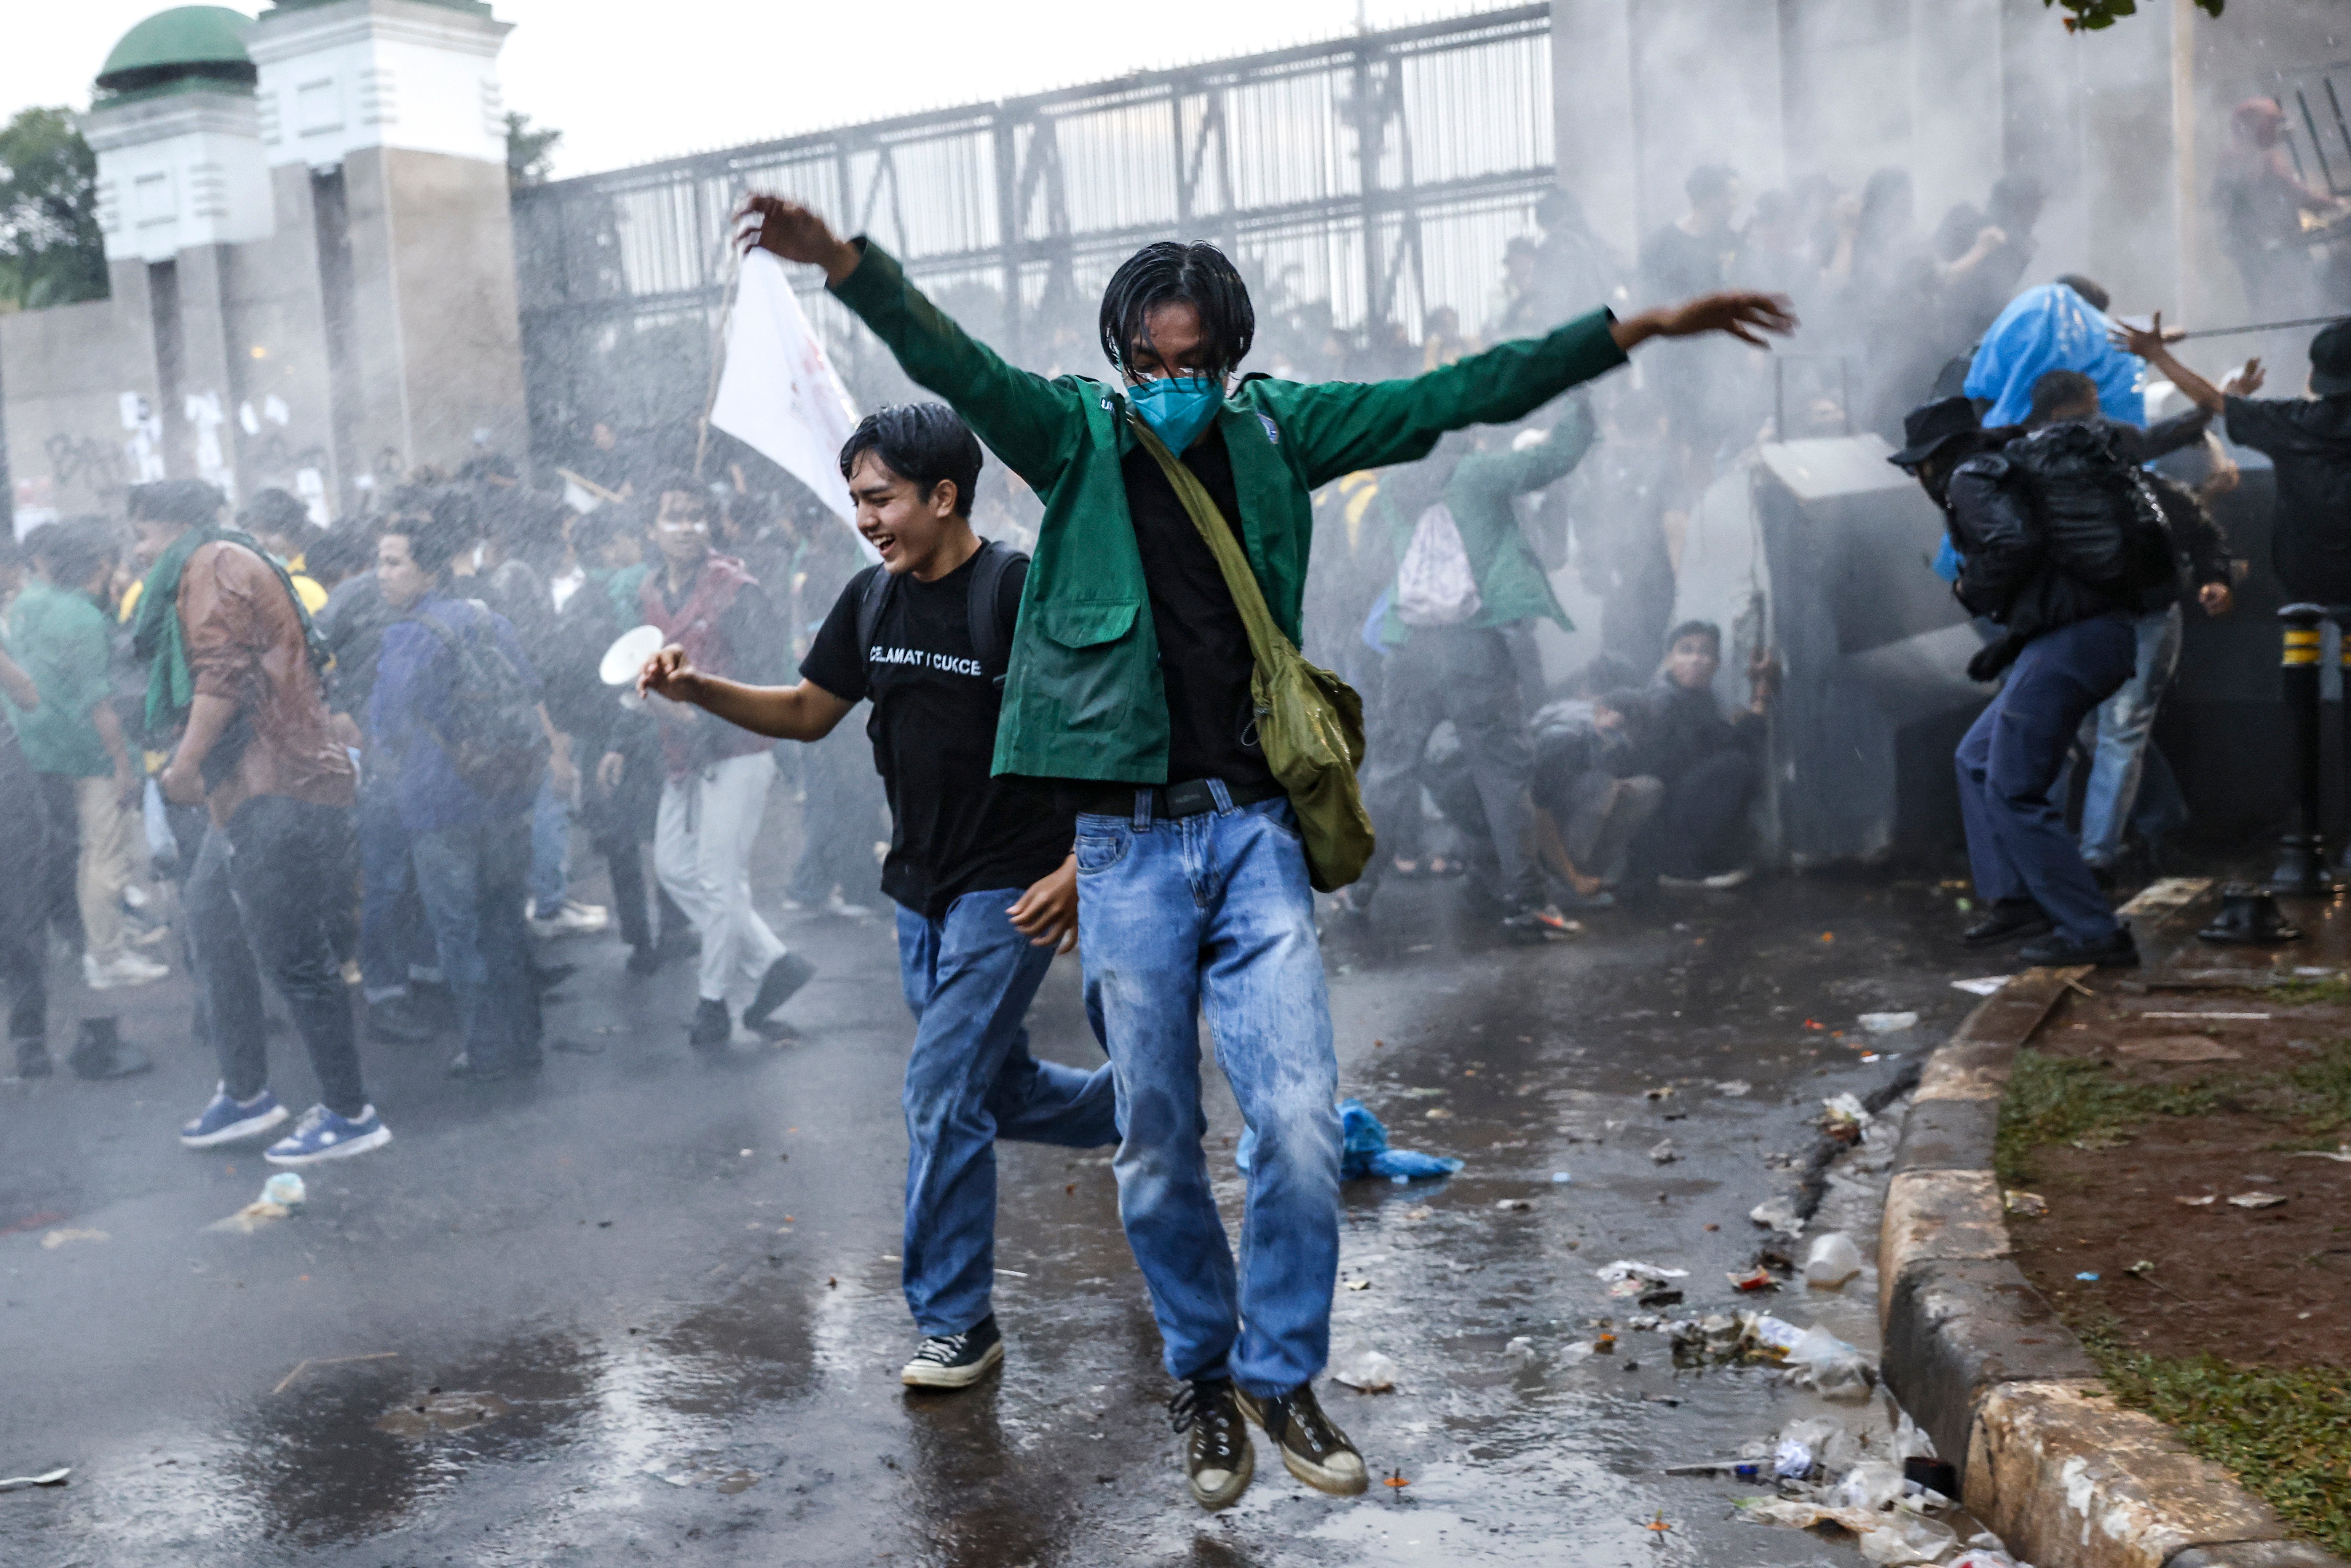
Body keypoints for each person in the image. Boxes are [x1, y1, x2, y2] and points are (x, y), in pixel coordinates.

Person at [734, 189, 1792, 1509]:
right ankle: (1200, 1373)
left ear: (1228, 356)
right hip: (1123, 849)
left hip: (1251, 837)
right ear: (1123, 355)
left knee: (1295, 1125)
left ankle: (1279, 1374)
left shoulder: (1285, 430)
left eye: (1194, 361)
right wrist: (842, 261)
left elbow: (1453, 395)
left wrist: (1635, 329)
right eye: (1150, 360)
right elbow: (952, 359)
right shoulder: (1072, 435)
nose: (1171, 382)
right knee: (1154, 1139)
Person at [643, 402, 1118, 1390]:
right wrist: (698, 689)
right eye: (857, 499)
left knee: (938, 1092)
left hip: (1010, 886)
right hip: (918, 887)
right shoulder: (871, 599)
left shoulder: (1016, 592)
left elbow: (1101, 729)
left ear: (944, 496)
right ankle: (1146, 1107)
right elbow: (807, 710)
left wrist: (1080, 866)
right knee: (994, 1087)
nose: (864, 518)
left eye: (880, 499)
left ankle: (957, 1322)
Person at [128, 480, 391, 1163]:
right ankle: (246, 1093)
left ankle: (350, 1112)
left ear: (174, 526)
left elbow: (223, 675)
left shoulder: (211, 563)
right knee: (211, 919)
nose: (138, 552)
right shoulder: (219, 558)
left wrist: (185, 763)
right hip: (250, 785)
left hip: (276, 784)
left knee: (293, 952)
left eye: (143, 535)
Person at [1889, 397, 2147, 968]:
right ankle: (2017, 898)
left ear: (1932, 460)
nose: (1918, 480)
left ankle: (2092, 930)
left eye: (1917, 468)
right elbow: (2049, 579)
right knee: (1976, 757)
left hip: (2077, 641)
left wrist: (1969, 590)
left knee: (2014, 788)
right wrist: (2008, 644)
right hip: (2081, 636)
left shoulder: (1969, 476)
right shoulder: (2011, 466)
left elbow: (2013, 545)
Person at [1351, 402, 1600, 931]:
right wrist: (1580, 404)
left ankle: (1356, 892)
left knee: (1390, 776)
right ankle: (1528, 901)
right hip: (1475, 650)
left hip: (1408, 652)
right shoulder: (1477, 475)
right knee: (1504, 780)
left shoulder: (1395, 487)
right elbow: (1553, 459)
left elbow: (1370, 564)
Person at [2021, 369, 2239, 878]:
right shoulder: (2103, 471)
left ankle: (2089, 856)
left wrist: (2214, 575)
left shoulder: (2054, 478)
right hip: (2116, 616)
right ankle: (2123, 840)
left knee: (2109, 730)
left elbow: (2197, 529)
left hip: (2120, 617)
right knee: (2108, 731)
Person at [369, 498, 557, 1080]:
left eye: (394, 563)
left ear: (428, 572)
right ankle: (525, 1038)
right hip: (503, 793)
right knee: (505, 920)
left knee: (457, 931)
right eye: (380, 562)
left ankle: (484, 1046)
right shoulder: (489, 620)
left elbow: (387, 724)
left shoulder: (406, 636)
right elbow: (529, 688)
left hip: (438, 803)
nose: (382, 574)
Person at [638, 473, 812, 1050]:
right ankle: (773, 960)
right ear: (651, 529)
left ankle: (712, 1002)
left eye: (696, 515)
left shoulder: (736, 589)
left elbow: (763, 675)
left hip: (739, 751)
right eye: (673, 516)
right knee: (674, 868)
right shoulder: (649, 591)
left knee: (718, 879)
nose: (686, 527)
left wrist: (705, 719)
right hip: (683, 754)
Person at [8, 521, 168, 993]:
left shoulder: (30, 602)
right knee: (105, 855)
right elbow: (99, 703)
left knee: (72, 851)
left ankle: (89, 941)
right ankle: (107, 956)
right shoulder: (85, 619)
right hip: (90, 751)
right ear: (100, 565)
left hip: (40, 744)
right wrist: (122, 764)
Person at [2119, 314, 2351, 608]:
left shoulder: (2297, 424)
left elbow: (2214, 402)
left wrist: (2156, 354)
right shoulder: (2295, 422)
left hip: (2312, 583)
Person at [1621, 621, 1776, 889]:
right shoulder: (1666, 700)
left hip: (1675, 808)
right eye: (1686, 650)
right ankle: (1684, 870)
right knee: (1734, 766)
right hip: (1662, 821)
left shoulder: (1700, 698)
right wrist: (1759, 700)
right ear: (1669, 659)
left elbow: (1724, 740)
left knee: (1736, 764)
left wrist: (1757, 697)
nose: (1695, 659)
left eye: (1705, 652)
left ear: (1716, 664)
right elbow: (1722, 748)